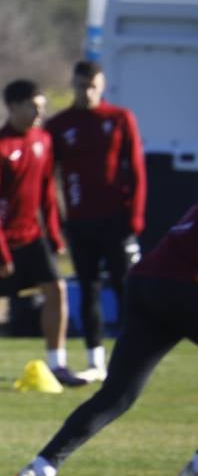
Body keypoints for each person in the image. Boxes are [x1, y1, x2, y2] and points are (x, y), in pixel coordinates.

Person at [14, 202, 198, 476]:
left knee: (117, 395)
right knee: (117, 394)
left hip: (146, 283)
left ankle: (41, 469)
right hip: (181, 287)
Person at [0, 79, 86, 389]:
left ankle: (57, 363)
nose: (39, 114)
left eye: (42, 107)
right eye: (33, 107)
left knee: (56, 289)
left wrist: (54, 235)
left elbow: (47, 191)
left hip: (31, 236)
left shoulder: (43, 141)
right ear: (12, 107)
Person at [43, 60, 146, 381]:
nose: (87, 93)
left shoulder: (119, 118)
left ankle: (132, 358)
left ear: (101, 87)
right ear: (73, 86)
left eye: (92, 87)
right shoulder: (60, 125)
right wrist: (56, 222)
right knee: (88, 289)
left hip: (116, 220)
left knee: (125, 288)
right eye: (81, 86)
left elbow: (137, 169)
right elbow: (47, 179)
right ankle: (95, 359)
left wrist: (135, 216)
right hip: (80, 221)